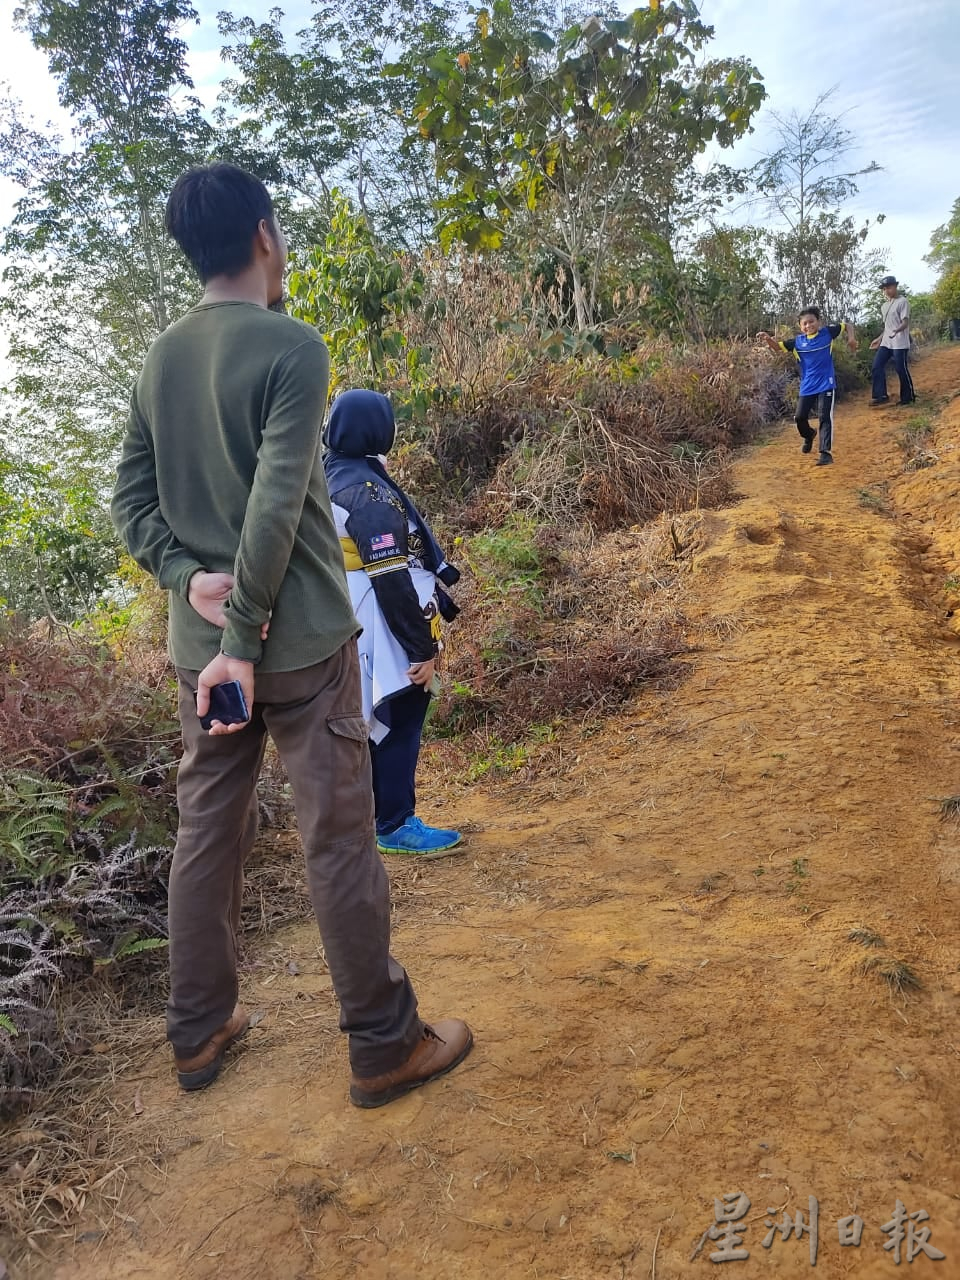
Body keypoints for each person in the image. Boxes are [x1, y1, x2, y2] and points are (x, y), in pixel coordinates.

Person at [110, 163, 472, 1107]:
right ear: (266, 238)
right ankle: (384, 1043)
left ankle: (197, 1033)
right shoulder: (293, 347)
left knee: (207, 837)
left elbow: (131, 502)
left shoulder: (160, 359)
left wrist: (188, 583)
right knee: (339, 837)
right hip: (303, 647)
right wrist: (243, 630)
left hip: (206, 666)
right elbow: (276, 506)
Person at [323, 390, 463, 858]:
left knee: (368, 717)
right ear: (377, 430)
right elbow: (391, 579)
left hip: (346, 613)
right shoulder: (366, 493)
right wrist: (422, 648)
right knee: (401, 710)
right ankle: (396, 822)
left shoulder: (327, 474)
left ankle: (372, 819)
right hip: (383, 621)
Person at [757, 308, 857, 467]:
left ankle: (825, 453)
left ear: (818, 322)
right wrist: (768, 339)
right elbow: (777, 347)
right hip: (808, 385)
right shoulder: (797, 342)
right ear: (800, 326)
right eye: (805, 323)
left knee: (825, 416)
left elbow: (847, 325)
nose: (808, 325)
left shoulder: (827, 333)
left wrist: (851, 339)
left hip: (826, 382)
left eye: (811, 321)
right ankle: (809, 435)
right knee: (800, 417)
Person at [870, 275, 916, 408]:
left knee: (900, 368)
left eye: (889, 287)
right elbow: (887, 327)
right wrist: (878, 339)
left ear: (895, 286)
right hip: (886, 342)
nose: (886, 291)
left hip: (900, 342)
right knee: (877, 366)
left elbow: (905, 322)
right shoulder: (884, 306)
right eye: (884, 289)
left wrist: (897, 330)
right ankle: (881, 396)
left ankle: (908, 397)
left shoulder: (903, 302)